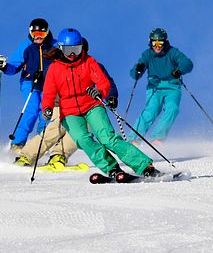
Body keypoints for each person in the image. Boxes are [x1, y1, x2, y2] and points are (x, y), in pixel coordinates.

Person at [41, 28, 161, 182]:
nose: (72, 54)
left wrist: (99, 92)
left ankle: (144, 166)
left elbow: (104, 83)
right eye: (68, 50)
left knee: (107, 139)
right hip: (69, 112)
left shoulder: (88, 62)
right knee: (83, 140)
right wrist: (47, 108)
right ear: (60, 48)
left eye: (76, 50)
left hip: (91, 106)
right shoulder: (54, 69)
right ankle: (111, 168)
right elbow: (49, 93)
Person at [15, 37, 119, 170]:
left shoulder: (92, 64)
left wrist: (112, 97)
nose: (73, 55)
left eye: (79, 50)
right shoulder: (58, 64)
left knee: (80, 133)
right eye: (71, 51)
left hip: (87, 106)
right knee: (55, 129)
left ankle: (59, 155)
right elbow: (48, 85)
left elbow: (107, 83)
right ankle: (27, 156)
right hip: (62, 105)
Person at [0, 18, 56, 153]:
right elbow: (14, 67)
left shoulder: (55, 46)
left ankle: (40, 145)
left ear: (47, 33)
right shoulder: (26, 47)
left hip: (50, 85)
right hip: (30, 83)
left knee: (46, 114)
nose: (38, 37)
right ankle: (17, 144)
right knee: (32, 109)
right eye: (35, 34)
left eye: (41, 34)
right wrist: (4, 67)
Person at [129, 27, 193, 144]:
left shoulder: (172, 52)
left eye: (160, 43)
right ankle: (134, 139)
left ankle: (158, 138)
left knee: (172, 109)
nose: (157, 46)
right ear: (150, 42)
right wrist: (138, 70)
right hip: (155, 88)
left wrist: (179, 70)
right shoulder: (147, 54)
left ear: (165, 42)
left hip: (172, 87)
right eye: (154, 43)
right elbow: (135, 74)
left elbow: (187, 63)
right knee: (151, 111)